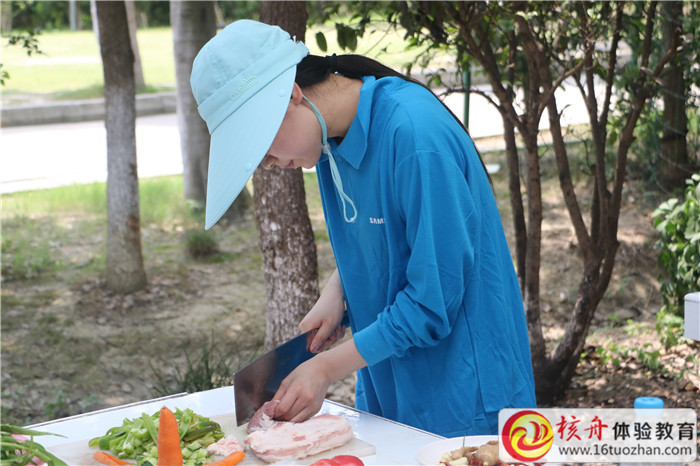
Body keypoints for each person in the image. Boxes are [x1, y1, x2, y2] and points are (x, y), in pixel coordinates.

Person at [190, 19, 536, 437]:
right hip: (389, 391)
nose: (265, 165)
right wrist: (339, 291)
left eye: (259, 147)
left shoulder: (415, 134)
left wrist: (324, 368)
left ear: (292, 96)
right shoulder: (326, 144)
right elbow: (387, 236)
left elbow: (433, 301)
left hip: (465, 399)